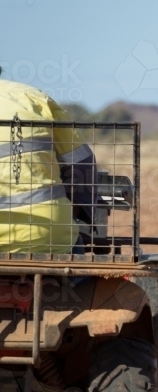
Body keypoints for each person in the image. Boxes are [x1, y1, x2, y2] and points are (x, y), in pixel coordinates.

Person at [0, 69, 97, 255]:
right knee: (77, 276)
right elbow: (83, 165)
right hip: (47, 237)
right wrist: (77, 213)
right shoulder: (32, 98)